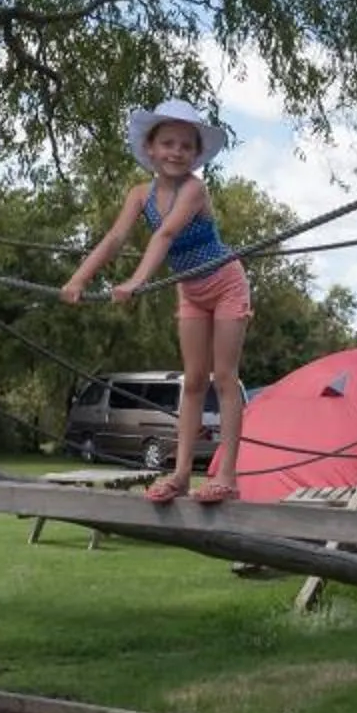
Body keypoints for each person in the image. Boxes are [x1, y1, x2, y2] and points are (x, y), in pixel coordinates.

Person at [60, 98, 250, 506]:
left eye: (185, 146)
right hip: (191, 291)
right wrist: (78, 278)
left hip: (226, 283)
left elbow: (164, 236)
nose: (176, 152)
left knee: (224, 377)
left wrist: (136, 281)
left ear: (197, 154)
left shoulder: (195, 189)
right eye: (168, 143)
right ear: (150, 147)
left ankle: (227, 476)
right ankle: (180, 474)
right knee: (193, 380)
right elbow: (114, 239)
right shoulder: (139, 194)